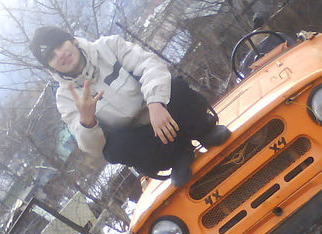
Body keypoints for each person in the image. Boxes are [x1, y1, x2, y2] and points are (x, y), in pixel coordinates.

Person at [29, 26, 230, 187]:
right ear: (50, 67)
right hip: (143, 138)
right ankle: (179, 157)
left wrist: (155, 103)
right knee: (114, 148)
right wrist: (87, 122)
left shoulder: (109, 46)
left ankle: (204, 131)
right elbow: (92, 148)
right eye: (51, 56)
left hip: (162, 110)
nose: (60, 55)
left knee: (173, 87)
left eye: (59, 45)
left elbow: (150, 66)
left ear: (72, 40)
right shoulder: (65, 98)